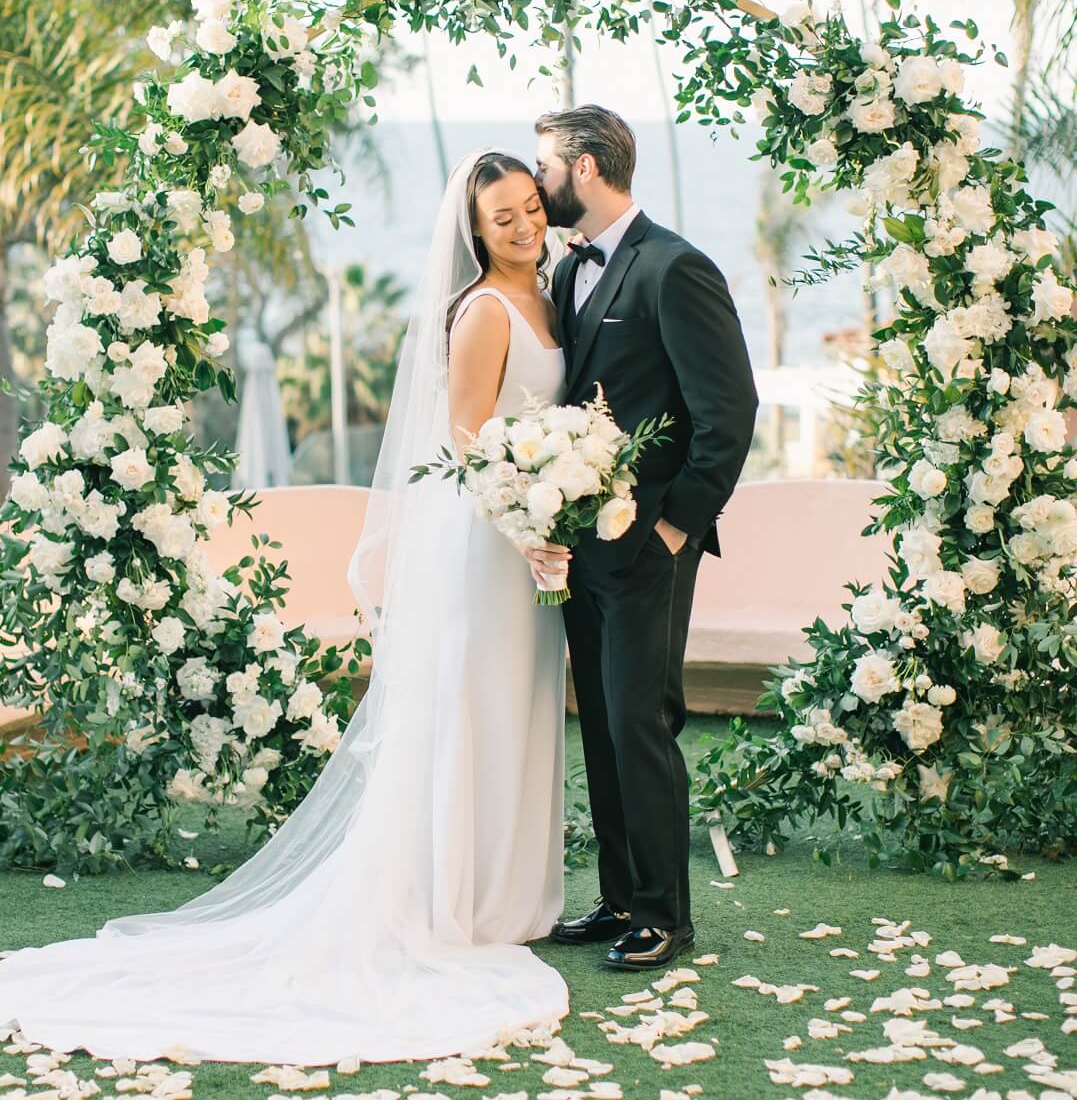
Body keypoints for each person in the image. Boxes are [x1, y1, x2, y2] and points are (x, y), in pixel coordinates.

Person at [0, 151, 573, 1064]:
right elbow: (466, 439)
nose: (522, 226)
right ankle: (456, 902)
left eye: (531, 207)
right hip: (485, 543)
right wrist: (524, 519)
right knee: (472, 712)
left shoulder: (552, 292)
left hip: (532, 546)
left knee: (521, 711)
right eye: (501, 216)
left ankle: (512, 897)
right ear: (473, 230)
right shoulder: (482, 312)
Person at [535, 105, 758, 972]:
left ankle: (666, 915)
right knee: (600, 722)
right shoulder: (567, 272)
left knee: (642, 720)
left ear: (585, 167)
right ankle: (621, 898)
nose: (538, 176)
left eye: (546, 162)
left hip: (649, 544)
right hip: (581, 546)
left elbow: (726, 411)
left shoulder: (674, 268)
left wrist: (674, 524)